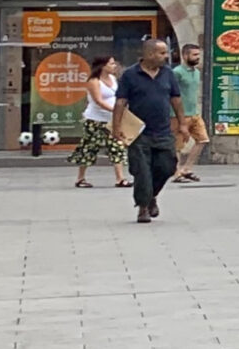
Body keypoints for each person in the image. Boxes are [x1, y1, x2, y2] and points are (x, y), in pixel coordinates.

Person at [116, 38, 184, 225]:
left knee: (167, 166)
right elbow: (121, 102)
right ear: (149, 54)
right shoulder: (130, 75)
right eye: (162, 53)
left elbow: (176, 99)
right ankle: (143, 208)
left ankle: (151, 195)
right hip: (139, 133)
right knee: (142, 172)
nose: (166, 56)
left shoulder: (168, 74)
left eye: (166, 52)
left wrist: (182, 123)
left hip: (163, 131)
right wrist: (116, 128)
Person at [72, 54, 130, 189]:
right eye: (111, 64)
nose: (114, 66)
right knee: (90, 148)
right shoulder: (94, 81)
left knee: (117, 146)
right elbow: (98, 101)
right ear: (103, 66)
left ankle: (120, 178)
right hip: (95, 120)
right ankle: (80, 178)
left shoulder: (113, 79)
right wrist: (115, 110)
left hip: (111, 120)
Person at [171, 42, 208, 183]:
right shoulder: (177, 72)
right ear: (185, 55)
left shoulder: (197, 72)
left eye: (198, 55)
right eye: (194, 55)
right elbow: (172, 94)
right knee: (178, 145)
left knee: (203, 139)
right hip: (179, 114)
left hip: (194, 113)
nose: (198, 57)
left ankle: (187, 169)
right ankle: (176, 172)